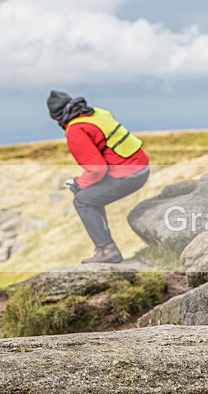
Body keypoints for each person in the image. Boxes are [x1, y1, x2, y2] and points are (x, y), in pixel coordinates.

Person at [47, 91, 150, 264]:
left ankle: (107, 250)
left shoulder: (76, 130)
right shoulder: (95, 113)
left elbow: (97, 170)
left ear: (57, 118)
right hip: (141, 167)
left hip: (129, 175)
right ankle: (103, 247)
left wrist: (79, 183)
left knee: (83, 200)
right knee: (90, 196)